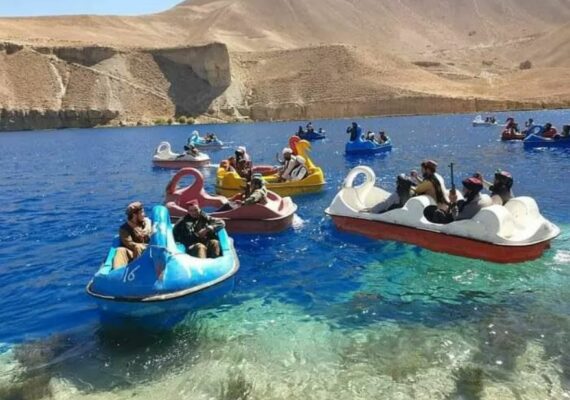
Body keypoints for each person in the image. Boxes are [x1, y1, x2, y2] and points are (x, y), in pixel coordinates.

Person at [427, 177, 492, 223]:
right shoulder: (481, 198)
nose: (462, 190)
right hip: (467, 217)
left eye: (464, 188)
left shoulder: (473, 206)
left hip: (457, 223)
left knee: (432, 212)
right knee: (460, 202)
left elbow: (456, 217)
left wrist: (453, 203)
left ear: (470, 191)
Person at [112, 202, 152, 268]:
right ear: (134, 215)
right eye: (141, 212)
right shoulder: (124, 229)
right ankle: (122, 271)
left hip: (150, 251)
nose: (144, 214)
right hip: (134, 254)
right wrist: (142, 246)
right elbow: (130, 245)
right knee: (120, 250)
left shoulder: (147, 223)